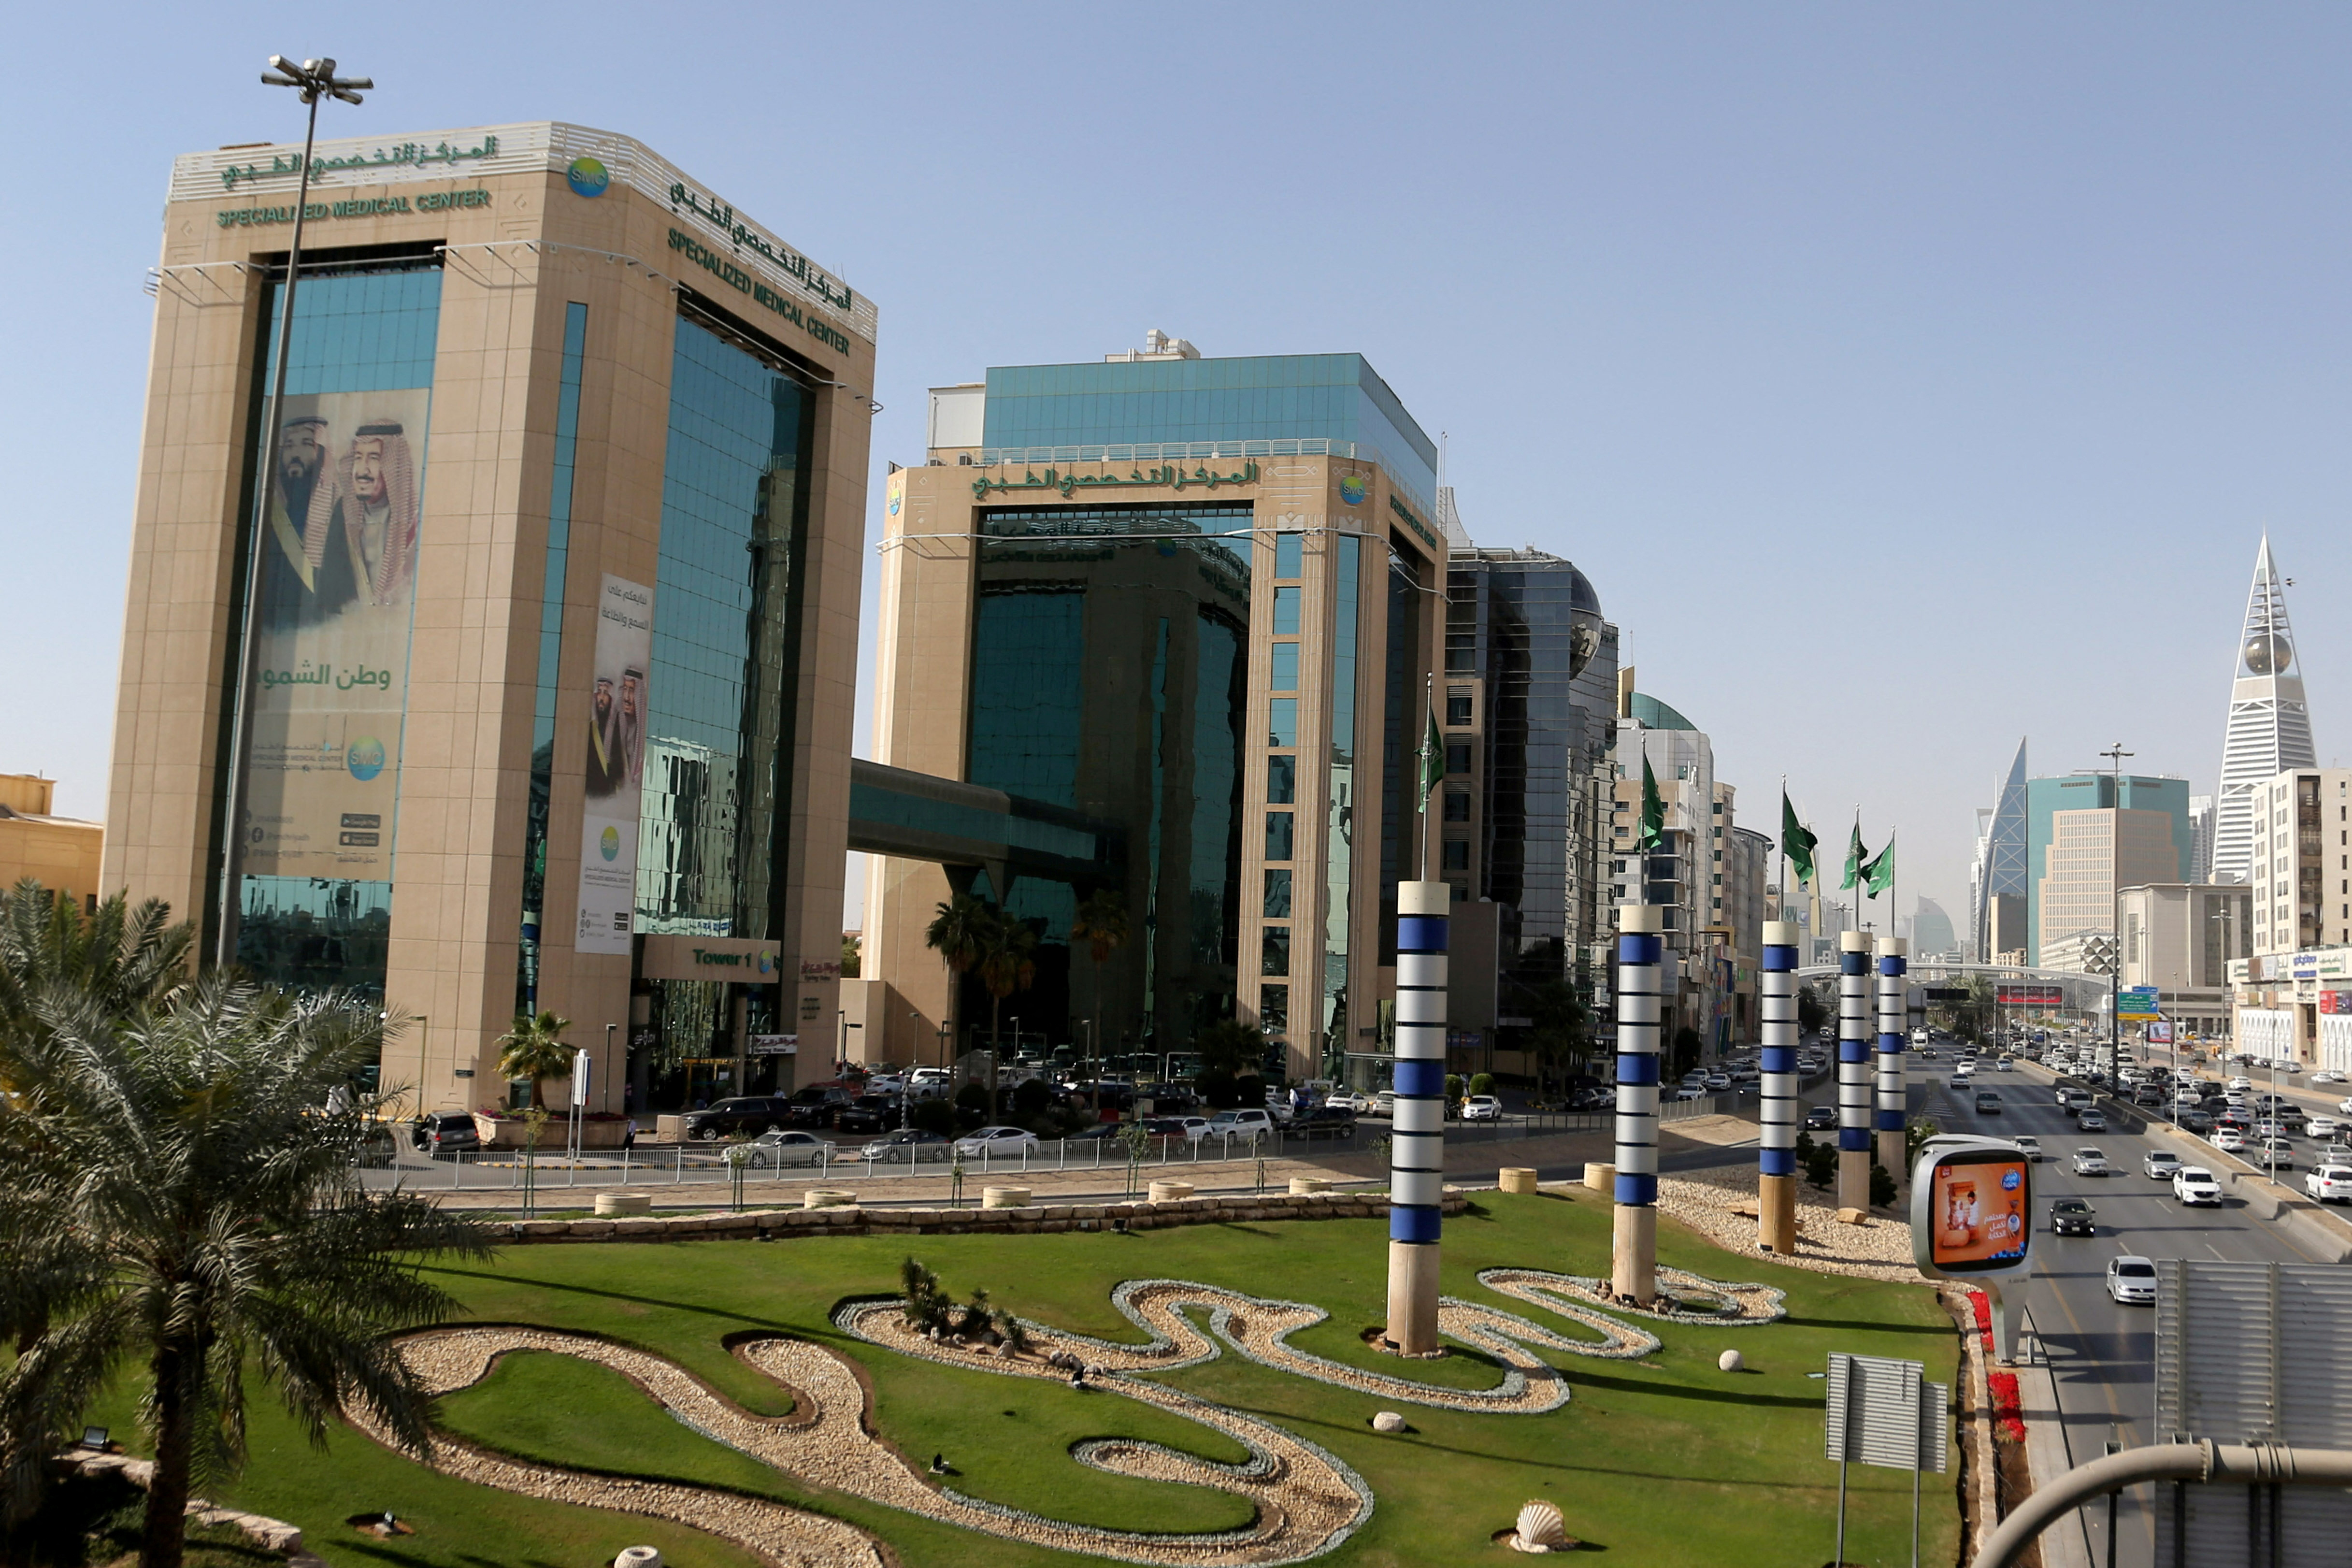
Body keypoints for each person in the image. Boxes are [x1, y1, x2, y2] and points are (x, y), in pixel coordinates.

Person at [586, 678, 623, 797]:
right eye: (599, 692)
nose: (601, 698)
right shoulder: (590, 726)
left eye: (606, 693)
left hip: (609, 789)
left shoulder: (617, 728)